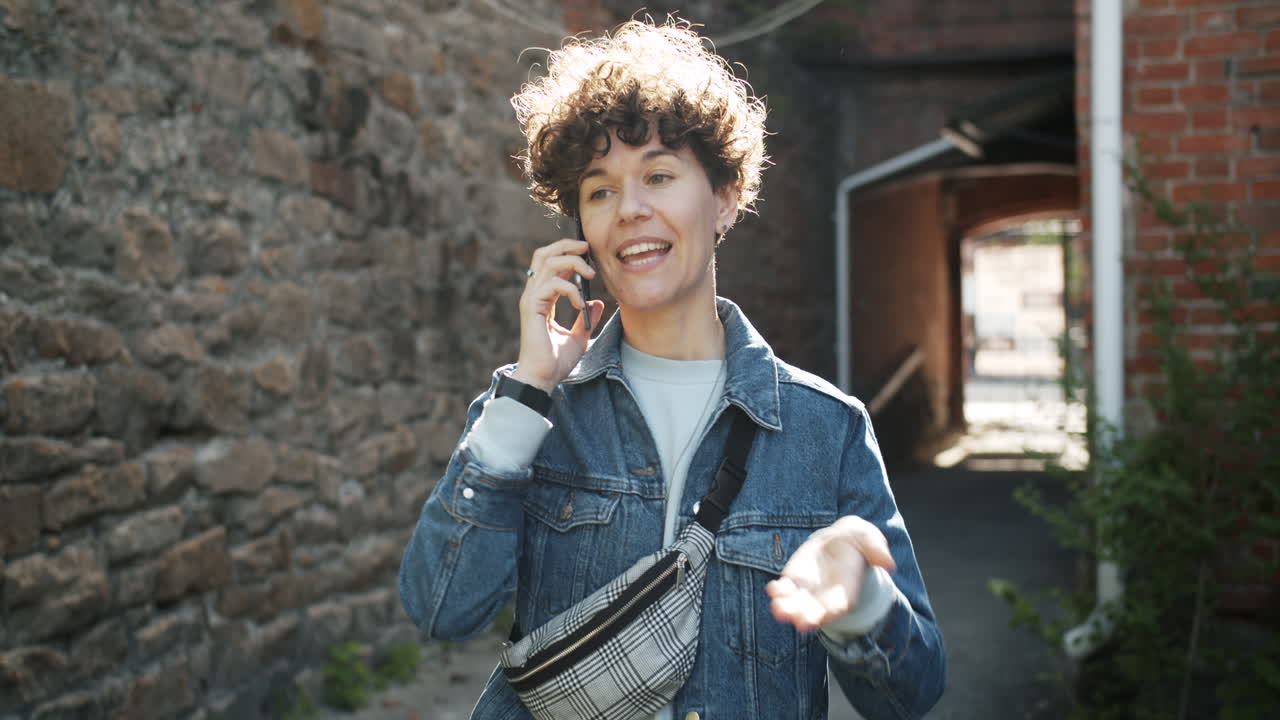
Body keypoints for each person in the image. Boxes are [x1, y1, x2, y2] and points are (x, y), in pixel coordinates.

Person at [399, 19, 945, 720]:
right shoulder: (534, 415)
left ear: (722, 200)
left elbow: (912, 693)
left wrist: (863, 603)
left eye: (659, 175)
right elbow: (442, 609)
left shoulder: (824, 429)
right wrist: (530, 386)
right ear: (581, 231)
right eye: (599, 191)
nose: (630, 209)